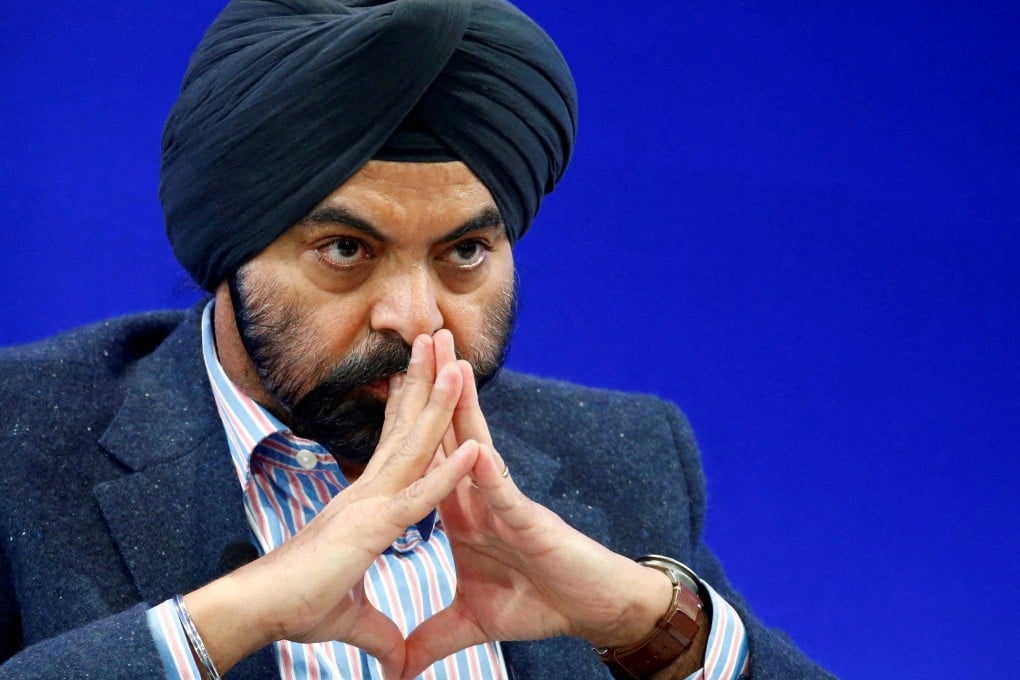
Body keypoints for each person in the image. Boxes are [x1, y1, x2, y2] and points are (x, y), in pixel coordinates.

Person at [0, 1, 833, 678]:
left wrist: (651, 626)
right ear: (230, 251)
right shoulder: (20, 437)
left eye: (464, 252)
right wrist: (223, 622)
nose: (416, 317)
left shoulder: (625, 456)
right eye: (346, 250)